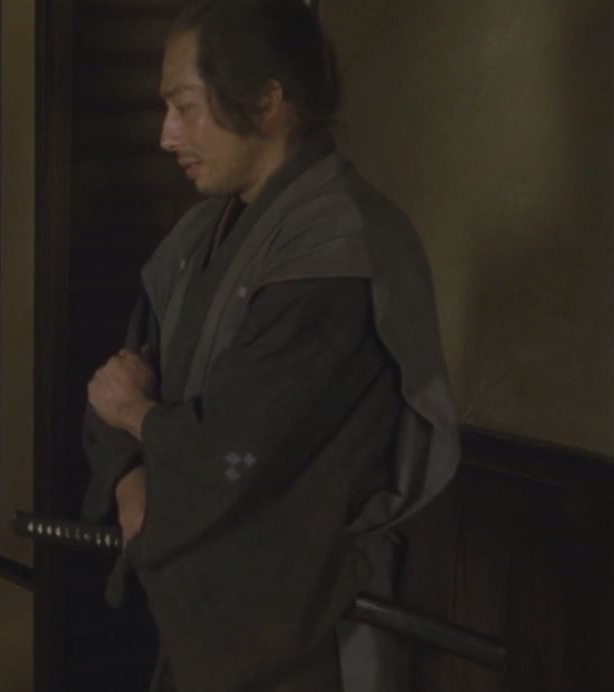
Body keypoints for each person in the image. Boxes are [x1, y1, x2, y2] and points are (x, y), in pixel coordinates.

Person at [82, 1, 460, 690]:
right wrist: (131, 486)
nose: (166, 135)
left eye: (184, 107)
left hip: (296, 611)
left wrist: (136, 415)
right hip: (198, 599)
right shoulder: (196, 237)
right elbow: (115, 383)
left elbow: (233, 451)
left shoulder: (337, 246)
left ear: (266, 100)